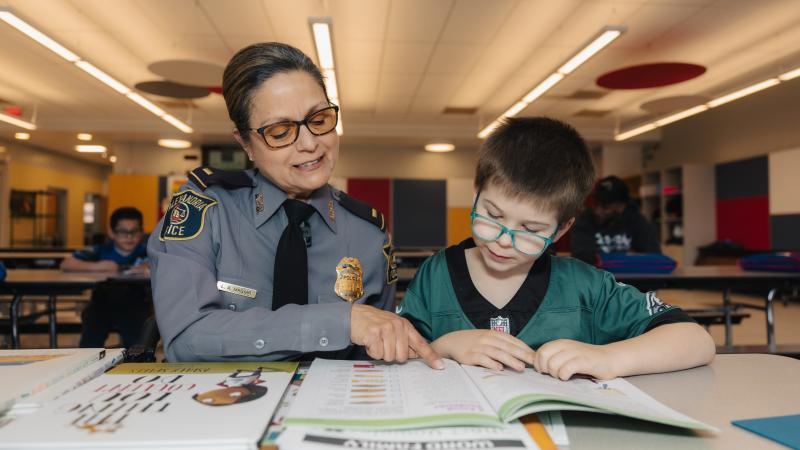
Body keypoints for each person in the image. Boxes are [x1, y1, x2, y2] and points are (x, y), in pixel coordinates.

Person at [148, 42, 441, 368]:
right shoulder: (205, 213)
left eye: (318, 119)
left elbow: (377, 351)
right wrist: (337, 321)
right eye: (280, 131)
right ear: (245, 143)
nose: (310, 143)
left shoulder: (368, 234)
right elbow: (186, 338)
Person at [398, 117, 715, 380]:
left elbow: (696, 340)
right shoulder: (435, 274)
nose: (504, 240)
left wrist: (608, 358)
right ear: (476, 192)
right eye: (493, 216)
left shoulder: (585, 287)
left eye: (531, 230)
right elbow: (398, 354)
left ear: (562, 228)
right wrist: (444, 345)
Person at [61, 207, 150, 348]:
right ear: (111, 232)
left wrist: (151, 267)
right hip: (102, 304)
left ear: (142, 231)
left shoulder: (148, 251)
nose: (129, 237)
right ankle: (88, 361)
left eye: (134, 232)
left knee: (138, 341)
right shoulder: (100, 250)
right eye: (123, 232)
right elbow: (66, 263)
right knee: (91, 332)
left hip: (136, 305)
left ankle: (136, 363)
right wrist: (98, 266)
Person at [570, 175, 661, 265]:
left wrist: (603, 256)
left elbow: (653, 255)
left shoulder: (637, 221)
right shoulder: (585, 221)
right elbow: (580, 256)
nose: (598, 211)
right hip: (595, 277)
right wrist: (626, 255)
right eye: (596, 204)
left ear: (622, 205)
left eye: (606, 207)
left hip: (633, 278)